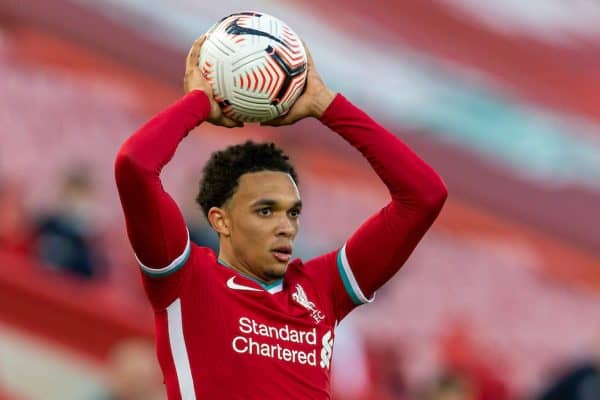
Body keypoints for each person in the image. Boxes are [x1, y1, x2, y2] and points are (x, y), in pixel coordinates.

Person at [114, 35, 447, 399]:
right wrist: (198, 102)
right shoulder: (185, 276)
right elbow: (135, 164)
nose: (285, 225)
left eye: (293, 211)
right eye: (265, 210)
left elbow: (425, 195)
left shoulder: (322, 290)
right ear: (220, 219)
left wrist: (328, 106)